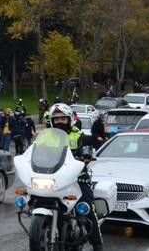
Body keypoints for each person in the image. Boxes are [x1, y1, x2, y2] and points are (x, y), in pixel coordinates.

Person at [49, 104, 102, 251]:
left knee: (85, 209)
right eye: (56, 119)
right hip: (55, 179)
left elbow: (87, 154)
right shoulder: (46, 137)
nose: (59, 121)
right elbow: (33, 154)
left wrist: (85, 156)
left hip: (78, 179)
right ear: (52, 121)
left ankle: (97, 244)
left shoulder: (80, 136)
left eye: (63, 118)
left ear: (69, 120)